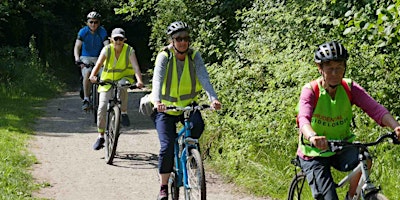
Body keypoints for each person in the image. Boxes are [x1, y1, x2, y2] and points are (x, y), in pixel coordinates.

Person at [296, 41, 400, 200]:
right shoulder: (311, 91)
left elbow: (375, 109)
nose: (335, 73)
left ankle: (351, 197)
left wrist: (396, 126)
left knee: (364, 157)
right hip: (314, 152)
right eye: (330, 68)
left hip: (341, 145)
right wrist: (312, 136)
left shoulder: (349, 88)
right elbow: (303, 118)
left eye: (339, 68)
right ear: (320, 68)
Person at [151, 21, 222, 200]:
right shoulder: (164, 56)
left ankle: (189, 153)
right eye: (179, 39)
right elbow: (157, 80)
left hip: (188, 106)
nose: (183, 42)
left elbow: (203, 77)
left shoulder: (194, 56)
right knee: (166, 147)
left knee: (198, 126)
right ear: (172, 41)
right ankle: (163, 186)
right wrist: (157, 101)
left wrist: (213, 98)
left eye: (186, 38)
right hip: (165, 109)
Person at [89, 28, 144, 150]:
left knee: (123, 86)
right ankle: (101, 136)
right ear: (111, 39)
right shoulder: (107, 49)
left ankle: (123, 112)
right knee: (102, 107)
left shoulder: (129, 50)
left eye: (120, 39)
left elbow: (135, 66)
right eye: (116, 39)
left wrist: (139, 80)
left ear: (124, 40)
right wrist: (93, 75)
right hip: (107, 80)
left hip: (124, 78)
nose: (118, 41)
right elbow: (98, 64)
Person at [74, 11, 109, 111]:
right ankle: (86, 99)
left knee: (104, 76)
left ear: (99, 23)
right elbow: (77, 47)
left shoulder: (102, 31)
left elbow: (107, 46)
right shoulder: (83, 32)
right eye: (91, 22)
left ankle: (103, 98)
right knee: (88, 73)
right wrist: (77, 59)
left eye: (96, 22)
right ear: (87, 23)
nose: (93, 24)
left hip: (99, 57)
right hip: (86, 57)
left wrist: (109, 59)